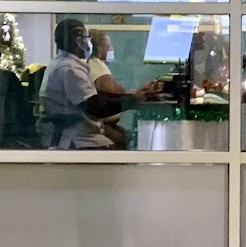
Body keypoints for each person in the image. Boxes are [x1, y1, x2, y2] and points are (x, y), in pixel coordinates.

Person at [40, 18, 158, 149]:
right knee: (120, 147)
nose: (89, 43)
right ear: (78, 41)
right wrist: (132, 100)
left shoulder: (63, 63)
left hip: (76, 133)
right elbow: (95, 107)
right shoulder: (69, 69)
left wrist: (133, 96)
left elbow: (96, 96)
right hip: (76, 138)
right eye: (87, 38)